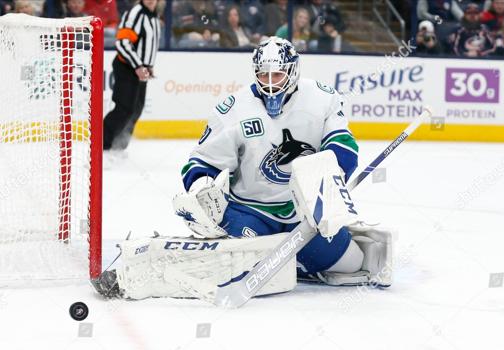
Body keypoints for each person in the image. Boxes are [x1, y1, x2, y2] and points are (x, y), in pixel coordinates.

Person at [91, 37, 392, 300]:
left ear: (293, 71)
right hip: (251, 211)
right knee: (230, 262)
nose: (271, 82)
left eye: (278, 74)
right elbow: (201, 162)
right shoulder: (234, 107)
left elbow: (344, 147)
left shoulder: (322, 98)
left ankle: (293, 261)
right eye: (264, 75)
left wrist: (326, 188)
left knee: (350, 264)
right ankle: (149, 275)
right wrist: (201, 191)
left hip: (306, 214)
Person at [103, 0, 161, 151]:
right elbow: (122, 43)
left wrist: (148, 66)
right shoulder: (136, 14)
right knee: (124, 108)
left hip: (140, 70)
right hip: (127, 68)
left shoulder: (153, 16)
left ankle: (118, 146)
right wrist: (138, 66)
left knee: (136, 109)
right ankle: (102, 146)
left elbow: (148, 45)